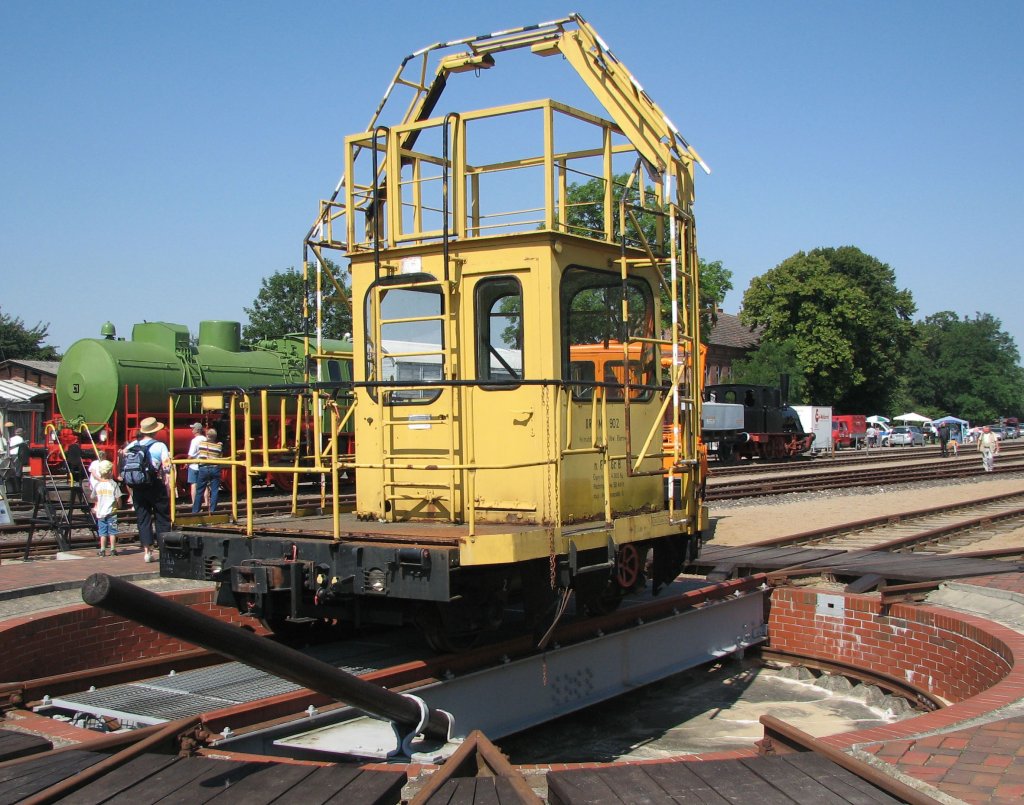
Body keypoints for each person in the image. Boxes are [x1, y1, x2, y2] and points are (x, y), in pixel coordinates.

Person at [126, 417, 172, 562]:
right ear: (155, 431)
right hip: (154, 484)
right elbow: (167, 467)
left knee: (143, 518)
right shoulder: (160, 446)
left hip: (138, 486)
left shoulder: (133, 445)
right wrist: (168, 483)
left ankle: (147, 551)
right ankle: (164, 550)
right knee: (162, 516)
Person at [91, 459, 121, 556]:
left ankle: (102, 550)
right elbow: (118, 497)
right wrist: (119, 505)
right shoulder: (113, 484)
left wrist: (97, 504)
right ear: (110, 472)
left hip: (101, 512)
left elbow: (93, 497)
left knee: (102, 532)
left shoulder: (97, 485)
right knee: (112, 532)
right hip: (112, 512)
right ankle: (112, 549)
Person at [193, 427, 223, 514]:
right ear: (215, 437)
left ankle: (195, 511)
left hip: (203, 468)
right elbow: (220, 455)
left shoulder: (201, 444)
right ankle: (212, 510)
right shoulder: (219, 446)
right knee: (215, 490)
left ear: (207, 436)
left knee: (199, 491)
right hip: (214, 468)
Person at [186, 422, 205, 505]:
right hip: (204, 464)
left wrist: (186, 463)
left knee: (193, 484)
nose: (192, 430)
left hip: (194, 465)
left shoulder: (194, 441)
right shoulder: (205, 439)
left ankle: (195, 503)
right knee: (205, 485)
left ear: (197, 430)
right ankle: (206, 503)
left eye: (193, 428)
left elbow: (191, 454)